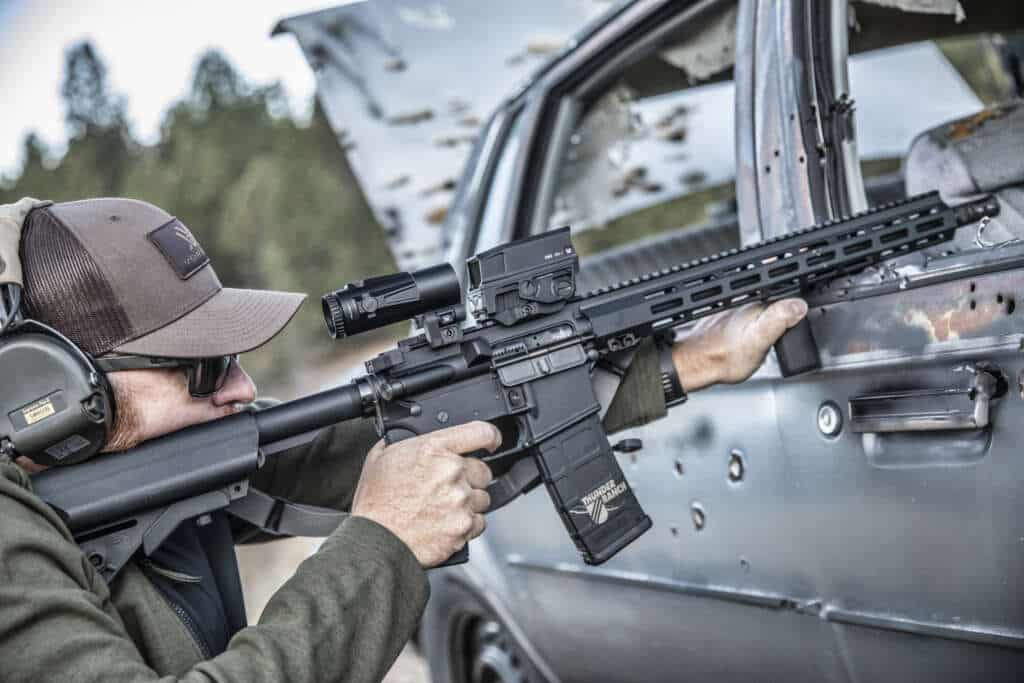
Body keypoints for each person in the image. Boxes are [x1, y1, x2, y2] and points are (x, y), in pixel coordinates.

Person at [0, 197, 807, 682]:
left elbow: (349, 441)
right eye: (204, 369)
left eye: (237, 358)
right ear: (52, 397)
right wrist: (380, 543)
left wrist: (678, 364)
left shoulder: (130, 459)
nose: (243, 389)